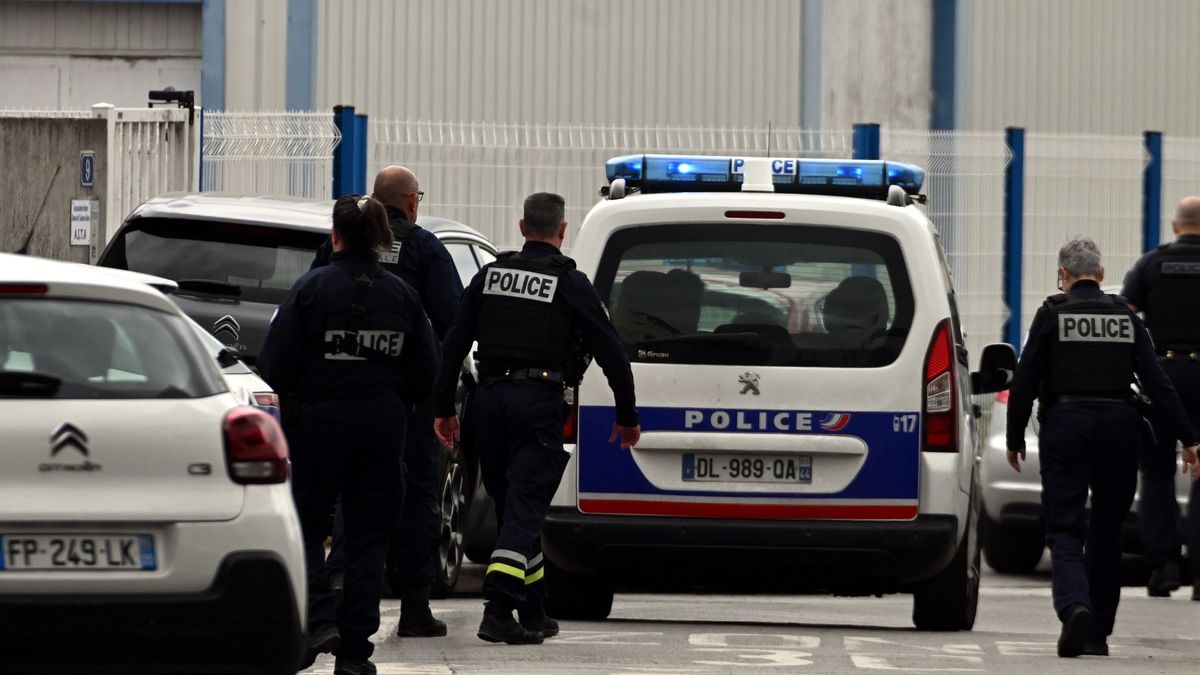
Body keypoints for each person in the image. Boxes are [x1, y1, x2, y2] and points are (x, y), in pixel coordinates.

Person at [432, 192, 641, 644]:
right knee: (525, 510)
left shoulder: (490, 275)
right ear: (562, 232)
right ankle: (498, 608)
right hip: (537, 403)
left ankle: (533, 609)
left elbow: (453, 344)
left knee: (512, 510)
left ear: (523, 227)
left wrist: (444, 409)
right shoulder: (569, 283)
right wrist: (627, 415)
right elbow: (610, 350)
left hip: (487, 404)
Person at [258, 195, 440, 674]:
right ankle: (355, 651)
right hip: (382, 428)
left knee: (302, 526)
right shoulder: (404, 296)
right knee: (368, 538)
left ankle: (320, 618)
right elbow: (428, 369)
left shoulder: (309, 289)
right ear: (380, 238)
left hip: (317, 427)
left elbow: (272, 366)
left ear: (335, 236)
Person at [1006, 238, 1198, 658]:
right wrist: (1189, 437)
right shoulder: (1127, 321)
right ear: (1103, 275)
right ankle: (1097, 635)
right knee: (1108, 531)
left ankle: (1075, 605)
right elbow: (1157, 383)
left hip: (1066, 426)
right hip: (1119, 427)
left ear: (1064, 275)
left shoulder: (1051, 314)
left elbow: (1024, 379)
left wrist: (1016, 435)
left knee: (1065, 528)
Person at [315, 166, 464, 637]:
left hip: (340, 396)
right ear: (411, 202)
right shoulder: (425, 249)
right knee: (420, 495)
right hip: (407, 404)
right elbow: (452, 325)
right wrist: (440, 397)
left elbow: (309, 305)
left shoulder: (335, 251)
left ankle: (339, 586)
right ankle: (414, 606)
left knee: (347, 490)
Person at [1121, 196, 1200, 600]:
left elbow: (1127, 312)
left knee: (1155, 472)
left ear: (1174, 226)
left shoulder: (1151, 264)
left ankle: (1165, 567)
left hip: (1162, 374)